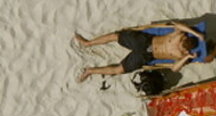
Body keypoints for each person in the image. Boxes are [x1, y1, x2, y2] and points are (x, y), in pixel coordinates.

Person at [75, 21, 205, 82]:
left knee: (119, 69)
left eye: (184, 48)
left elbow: (174, 69)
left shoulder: (182, 55)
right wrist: (196, 33)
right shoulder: (178, 35)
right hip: (146, 41)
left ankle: (90, 71)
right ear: (185, 38)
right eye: (183, 44)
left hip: (147, 55)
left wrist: (186, 57)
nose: (182, 47)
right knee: (117, 36)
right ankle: (88, 43)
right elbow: (177, 25)